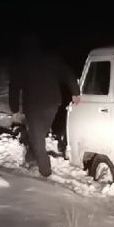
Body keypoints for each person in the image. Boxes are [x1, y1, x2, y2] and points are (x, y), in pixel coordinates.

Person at [8, 34, 80, 177]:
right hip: (53, 103)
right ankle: (31, 158)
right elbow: (68, 74)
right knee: (38, 135)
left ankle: (45, 171)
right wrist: (75, 92)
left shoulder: (22, 63)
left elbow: (14, 87)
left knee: (37, 138)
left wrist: (15, 109)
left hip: (34, 105)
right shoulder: (51, 58)